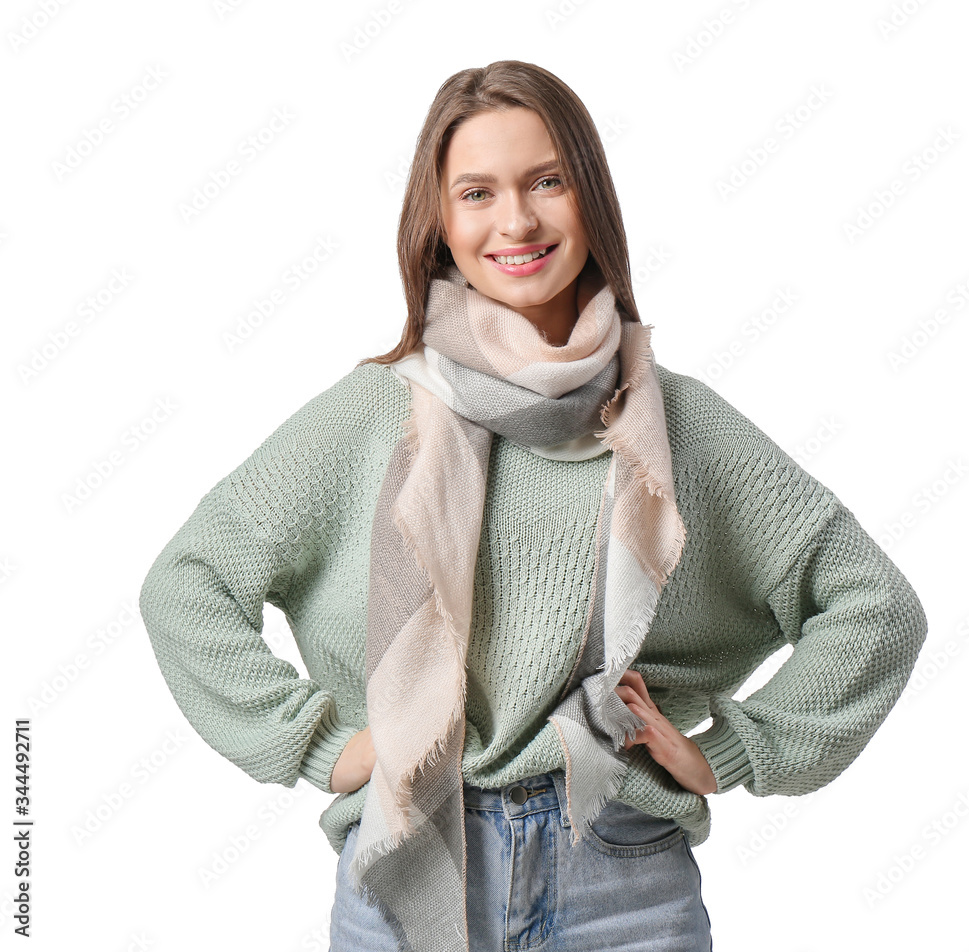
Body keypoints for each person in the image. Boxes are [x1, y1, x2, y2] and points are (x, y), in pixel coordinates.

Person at [138, 60, 928, 952]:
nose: (516, 220)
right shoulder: (375, 416)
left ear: (590, 197)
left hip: (620, 873)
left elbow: (875, 606)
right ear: (439, 220)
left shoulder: (677, 425)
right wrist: (322, 745)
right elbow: (188, 583)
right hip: (412, 859)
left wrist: (737, 751)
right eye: (477, 192)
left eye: (547, 181)